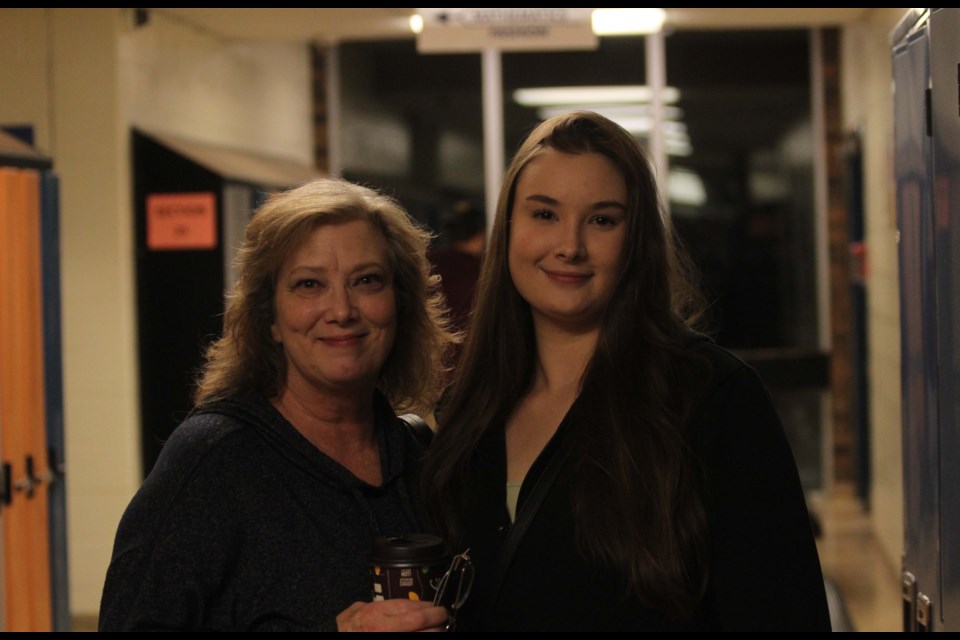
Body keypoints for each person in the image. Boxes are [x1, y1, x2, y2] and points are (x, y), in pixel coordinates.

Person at [422, 111, 832, 631]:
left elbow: (782, 612)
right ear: (506, 230)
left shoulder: (710, 398)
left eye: (602, 220)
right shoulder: (466, 412)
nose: (570, 245)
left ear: (636, 240)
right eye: (544, 214)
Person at [99, 177, 458, 631]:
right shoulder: (213, 462)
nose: (342, 310)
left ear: (400, 304)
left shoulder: (418, 458)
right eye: (309, 285)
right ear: (269, 319)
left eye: (367, 281)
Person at [427, 199, 486, 370]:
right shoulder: (485, 271)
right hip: (471, 369)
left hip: (431, 367)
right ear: (481, 235)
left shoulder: (428, 264)